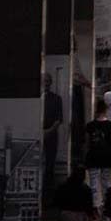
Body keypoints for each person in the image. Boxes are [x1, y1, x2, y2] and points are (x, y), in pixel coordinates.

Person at [84, 100, 111, 211]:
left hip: (93, 156)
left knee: (93, 181)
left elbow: (87, 143)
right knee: (105, 181)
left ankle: (95, 205)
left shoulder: (90, 125)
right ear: (106, 110)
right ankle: (106, 203)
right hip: (106, 157)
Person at [42, 73, 64, 203]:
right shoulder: (38, 99)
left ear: (50, 83)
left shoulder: (56, 99)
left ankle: (47, 193)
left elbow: (59, 119)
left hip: (51, 135)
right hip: (43, 133)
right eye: (44, 81)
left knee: (50, 164)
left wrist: (48, 131)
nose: (46, 83)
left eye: (47, 81)